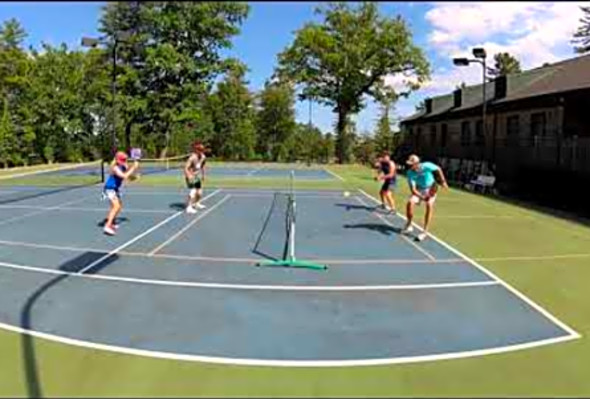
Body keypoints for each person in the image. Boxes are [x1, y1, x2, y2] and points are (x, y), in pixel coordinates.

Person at [402, 154, 448, 242]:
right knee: (409, 203)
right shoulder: (409, 173)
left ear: (417, 163)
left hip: (431, 188)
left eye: (411, 164)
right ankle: (409, 224)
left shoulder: (427, 165)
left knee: (429, 205)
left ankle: (425, 231)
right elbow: (413, 190)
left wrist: (443, 181)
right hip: (419, 190)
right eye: (409, 164)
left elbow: (438, 169)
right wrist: (422, 197)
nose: (410, 166)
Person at [102, 151, 139, 236]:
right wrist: (133, 167)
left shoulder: (123, 166)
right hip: (109, 188)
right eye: (123, 159)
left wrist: (134, 177)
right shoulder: (115, 167)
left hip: (115, 189)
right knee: (116, 206)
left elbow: (127, 177)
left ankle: (111, 223)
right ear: (118, 159)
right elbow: (123, 176)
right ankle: (107, 226)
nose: (125, 161)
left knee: (118, 207)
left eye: (125, 159)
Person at [184, 142, 207, 214]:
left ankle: (196, 204)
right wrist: (188, 176)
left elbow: (203, 166)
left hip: (197, 176)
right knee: (193, 191)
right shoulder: (192, 158)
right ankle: (188, 207)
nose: (201, 151)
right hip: (191, 176)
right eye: (200, 149)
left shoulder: (203, 157)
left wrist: (203, 175)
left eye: (202, 149)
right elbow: (185, 168)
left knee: (199, 193)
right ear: (196, 150)